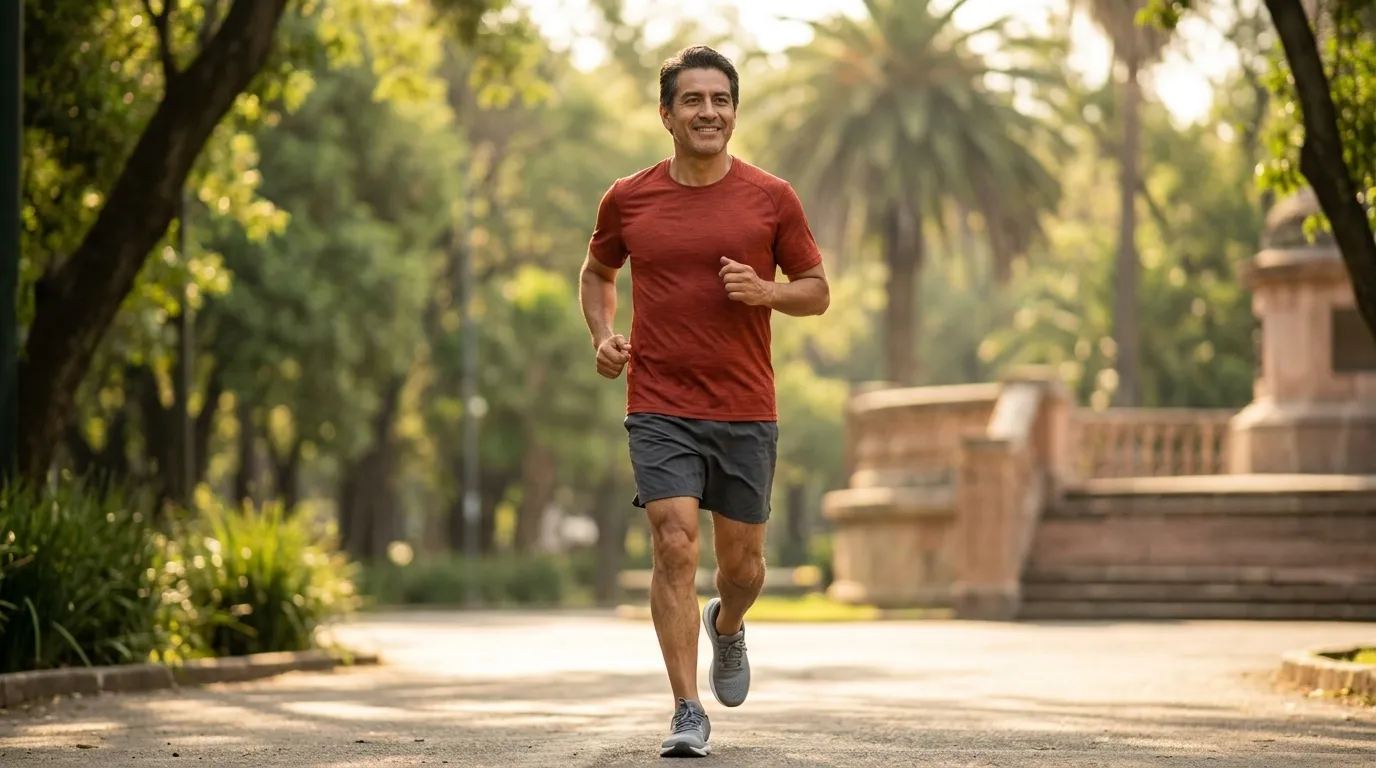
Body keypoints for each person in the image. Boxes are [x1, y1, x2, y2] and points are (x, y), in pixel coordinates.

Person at [577, 45, 831, 758]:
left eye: (720, 100)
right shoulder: (629, 197)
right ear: (666, 114)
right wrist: (603, 335)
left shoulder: (771, 197)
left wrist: (767, 291)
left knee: (744, 567)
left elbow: (817, 289)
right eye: (693, 100)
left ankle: (728, 625)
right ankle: (686, 708)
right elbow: (597, 271)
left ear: (734, 112)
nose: (708, 112)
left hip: (746, 406)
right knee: (673, 542)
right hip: (658, 400)